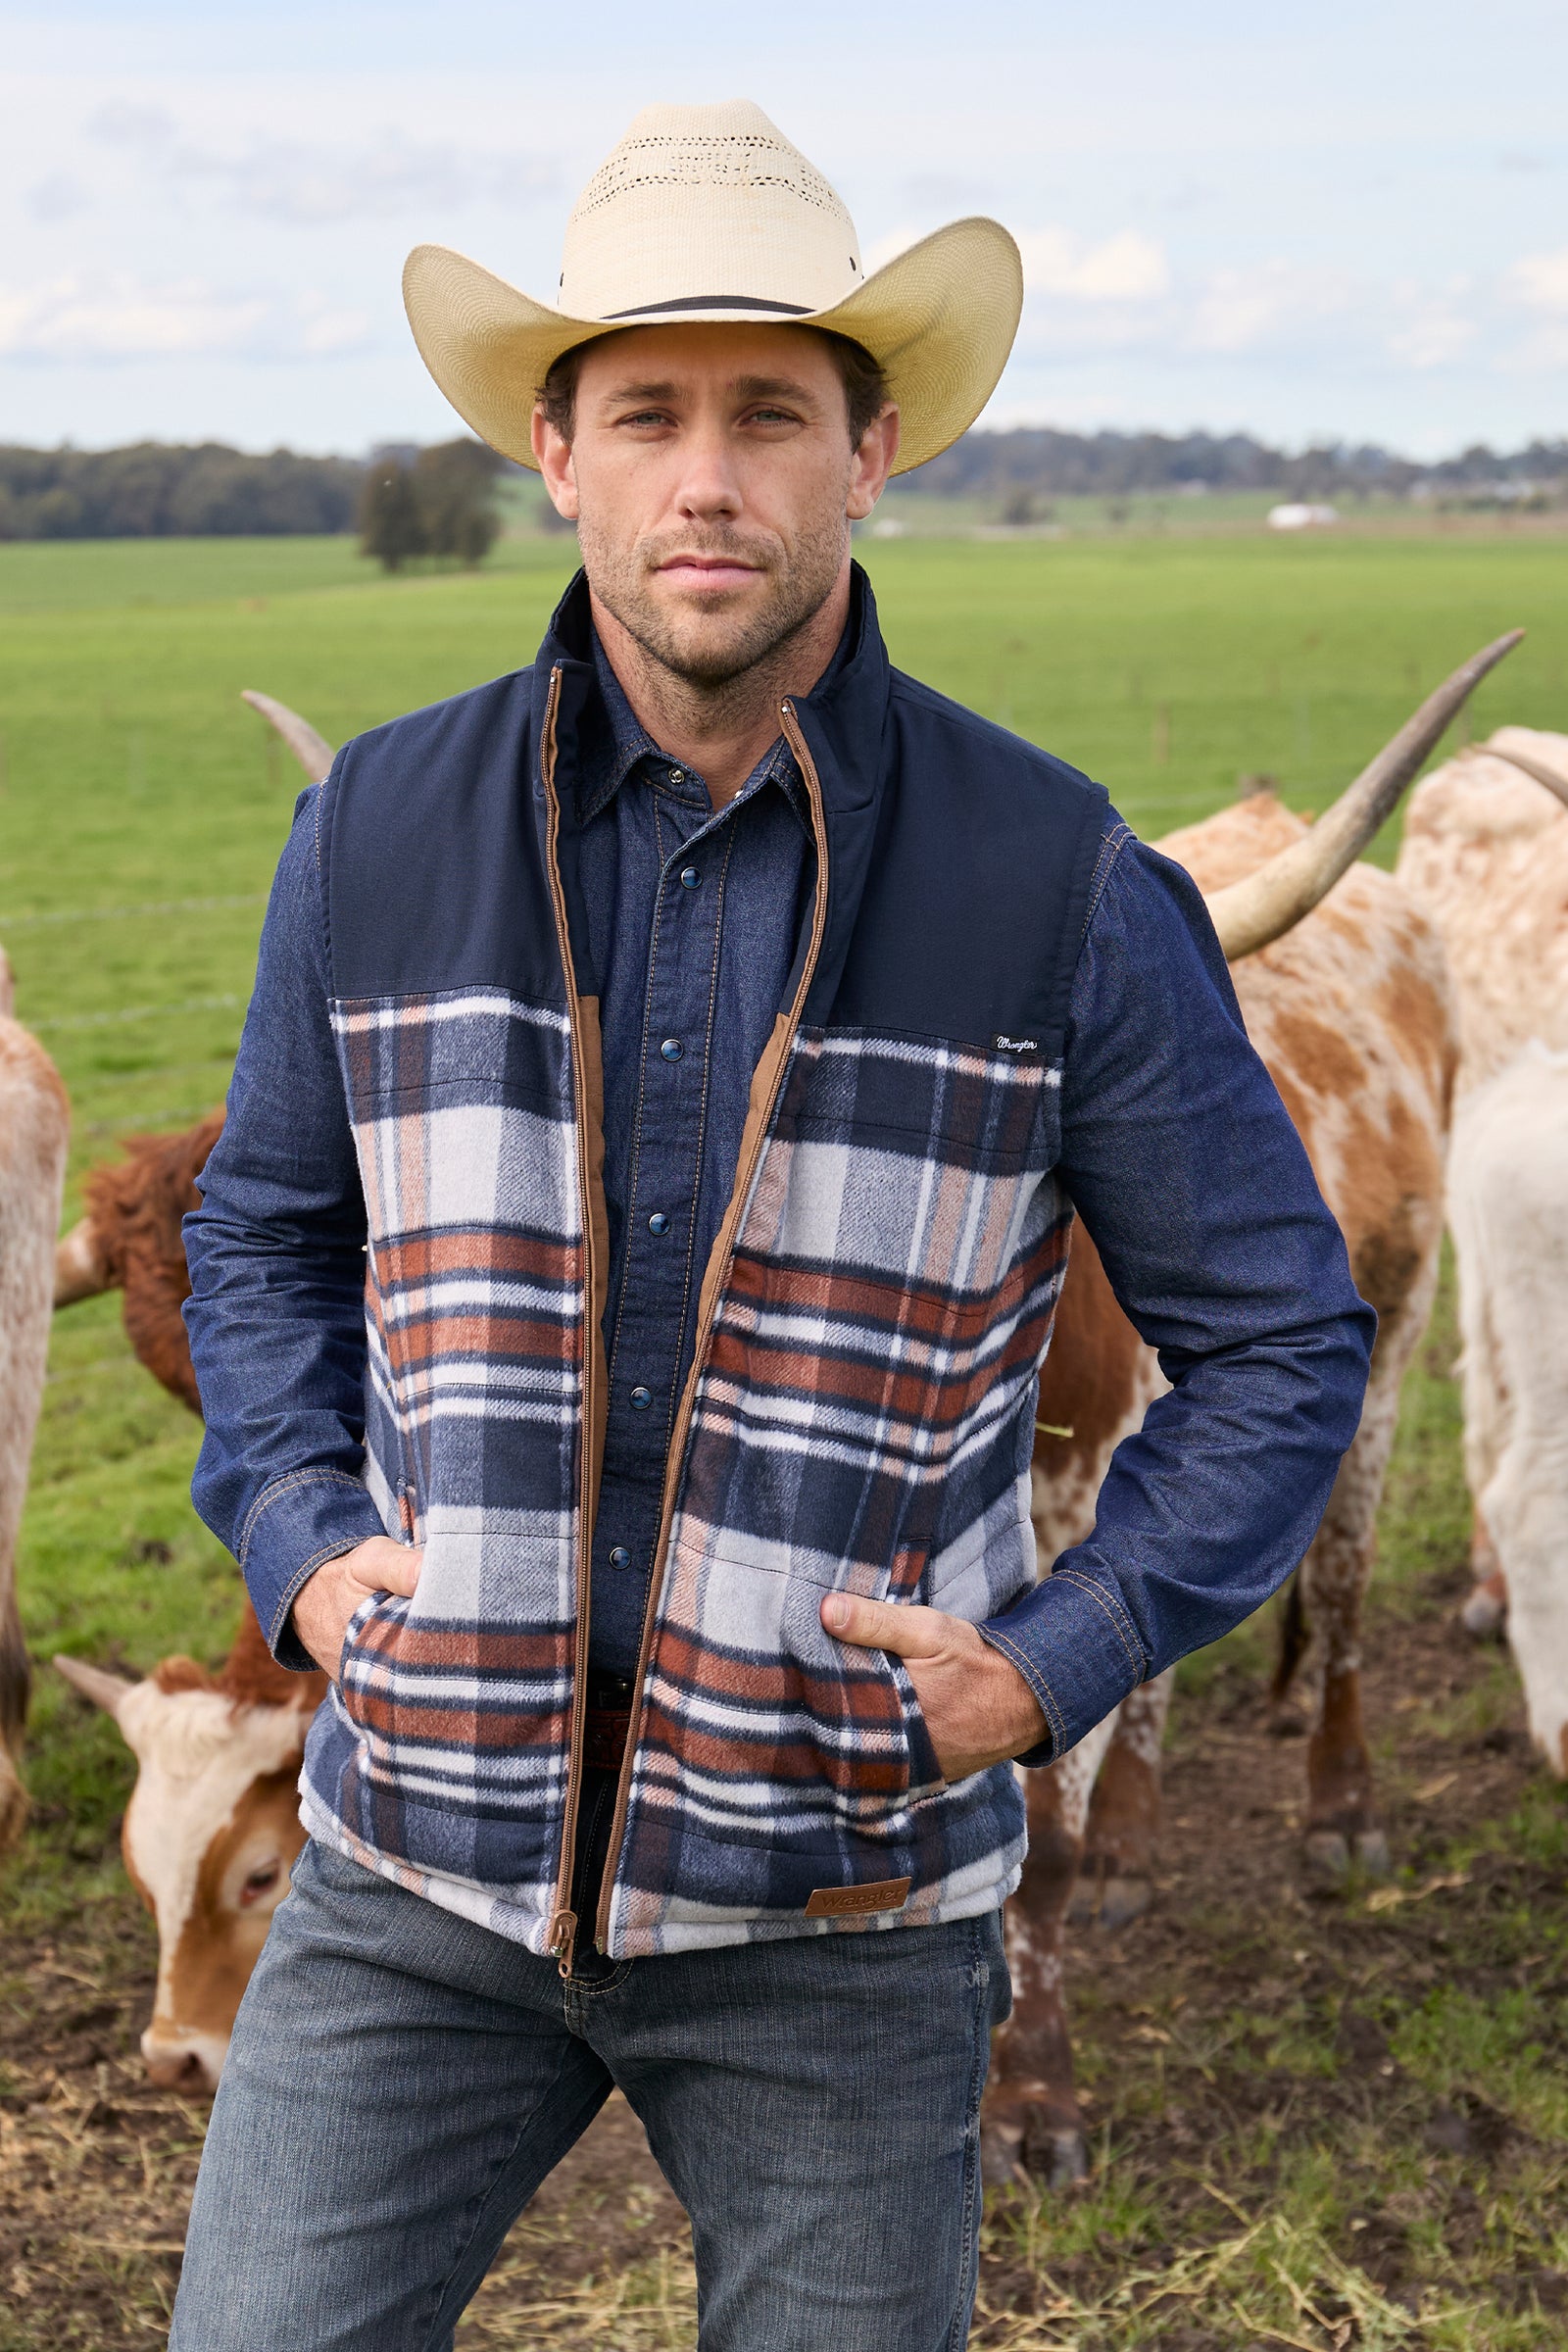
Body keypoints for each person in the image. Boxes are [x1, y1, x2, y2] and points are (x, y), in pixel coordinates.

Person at [172, 100, 1372, 2352]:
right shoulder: (371, 838)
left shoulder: (1061, 888)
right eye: (643, 413)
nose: (701, 478)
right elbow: (257, 1234)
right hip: (416, 1862)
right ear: (555, 450)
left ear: (868, 450)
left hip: (841, 1899)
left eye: (765, 415)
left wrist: (1048, 1663)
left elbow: (1285, 1341)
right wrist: (296, 1528)